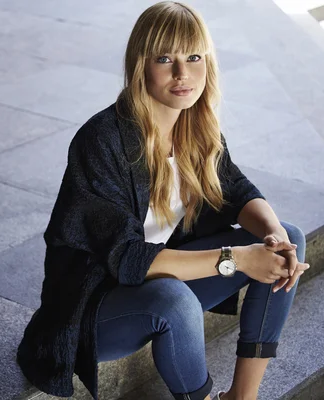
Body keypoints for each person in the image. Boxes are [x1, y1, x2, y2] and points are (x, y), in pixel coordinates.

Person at [16, 2, 310, 400]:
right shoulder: (102, 141)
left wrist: (274, 236)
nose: (182, 73)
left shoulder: (196, 126)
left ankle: (242, 397)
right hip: (96, 307)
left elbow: (237, 191)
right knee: (175, 299)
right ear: (141, 65)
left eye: (193, 57)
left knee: (289, 234)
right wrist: (239, 258)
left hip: (156, 282)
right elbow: (128, 258)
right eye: (164, 58)